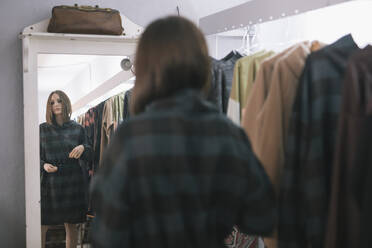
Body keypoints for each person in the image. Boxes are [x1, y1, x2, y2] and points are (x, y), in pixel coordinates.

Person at [90, 16, 276, 248]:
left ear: (147, 66)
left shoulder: (129, 139)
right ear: (200, 61)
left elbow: (107, 234)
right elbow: (262, 217)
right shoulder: (226, 133)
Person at [39, 90, 92, 248]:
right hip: (50, 183)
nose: (56, 105)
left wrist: (83, 147)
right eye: (52, 102)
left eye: (59, 101)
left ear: (66, 103)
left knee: (71, 225)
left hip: (72, 181)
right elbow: (33, 155)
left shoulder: (77, 128)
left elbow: (90, 152)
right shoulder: (42, 129)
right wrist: (43, 165)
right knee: (42, 225)